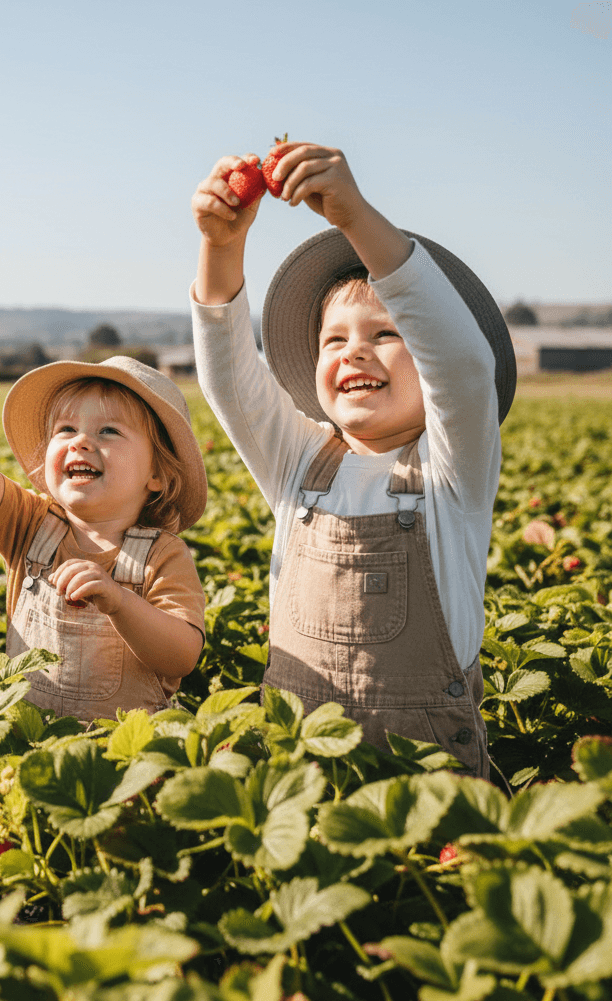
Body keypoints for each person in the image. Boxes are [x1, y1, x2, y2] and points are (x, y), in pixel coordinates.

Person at [190, 141, 516, 778]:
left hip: (422, 784)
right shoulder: (298, 462)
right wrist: (220, 245)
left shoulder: (452, 475)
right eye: (333, 338)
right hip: (298, 770)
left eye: (388, 334)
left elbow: (462, 365)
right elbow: (230, 380)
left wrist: (354, 217)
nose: (355, 353)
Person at [0, 347, 208, 724]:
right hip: (26, 745)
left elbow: (181, 656)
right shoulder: (29, 523)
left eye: (109, 431)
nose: (79, 442)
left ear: (157, 475)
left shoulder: (163, 556)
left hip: (124, 758)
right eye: (65, 429)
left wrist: (120, 602)